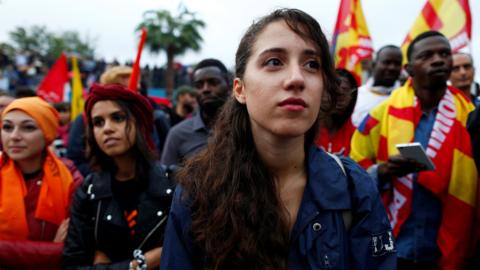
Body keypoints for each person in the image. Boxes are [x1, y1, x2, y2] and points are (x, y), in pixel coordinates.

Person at [160, 8, 396, 269]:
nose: (296, 78)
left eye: (311, 65)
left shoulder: (355, 188)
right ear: (240, 89)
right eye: (274, 62)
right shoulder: (197, 191)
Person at [350, 31, 478, 269]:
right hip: (394, 247)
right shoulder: (380, 116)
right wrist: (383, 171)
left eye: (444, 54)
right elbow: (354, 172)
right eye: (427, 55)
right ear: (408, 69)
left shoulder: (470, 116)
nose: (438, 60)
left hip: (451, 246)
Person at [63, 84, 175, 269]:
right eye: (98, 122)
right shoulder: (88, 191)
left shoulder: (175, 183)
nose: (107, 128)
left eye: (117, 118)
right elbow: (72, 265)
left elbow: (191, 253)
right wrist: (140, 264)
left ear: (140, 124)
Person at [0, 97, 83, 269]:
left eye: (28, 127)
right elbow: (59, 252)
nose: (14, 136)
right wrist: (51, 250)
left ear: (47, 133)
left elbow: (74, 252)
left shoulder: (71, 179)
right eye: (7, 127)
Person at [160, 58, 230, 166]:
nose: (205, 89)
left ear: (229, 85)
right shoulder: (177, 134)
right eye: (199, 85)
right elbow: (165, 180)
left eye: (213, 82)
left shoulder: (249, 127)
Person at [351, 45, 403, 127]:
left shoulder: (407, 98)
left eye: (397, 64)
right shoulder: (356, 96)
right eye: (387, 62)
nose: (392, 67)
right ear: (374, 65)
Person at [315, 68, 358, 155]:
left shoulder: (355, 134)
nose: (339, 97)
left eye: (345, 92)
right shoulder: (307, 129)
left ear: (352, 97)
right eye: (334, 90)